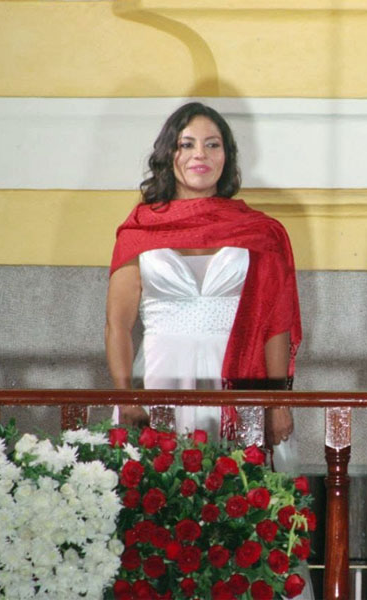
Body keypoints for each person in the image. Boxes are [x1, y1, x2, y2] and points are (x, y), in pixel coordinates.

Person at [105, 101, 301, 447]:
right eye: (187, 144)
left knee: (238, 492)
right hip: (158, 378)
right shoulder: (139, 229)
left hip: (239, 381)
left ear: (227, 157)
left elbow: (276, 324)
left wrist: (278, 402)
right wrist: (124, 396)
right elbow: (117, 324)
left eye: (213, 144)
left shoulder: (259, 232)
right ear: (169, 154)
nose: (201, 155)